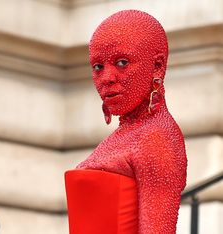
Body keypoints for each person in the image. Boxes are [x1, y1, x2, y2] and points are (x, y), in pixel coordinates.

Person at [64, 10, 187, 234]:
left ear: (157, 65)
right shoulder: (129, 134)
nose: (107, 78)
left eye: (122, 62)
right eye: (98, 66)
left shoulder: (156, 137)